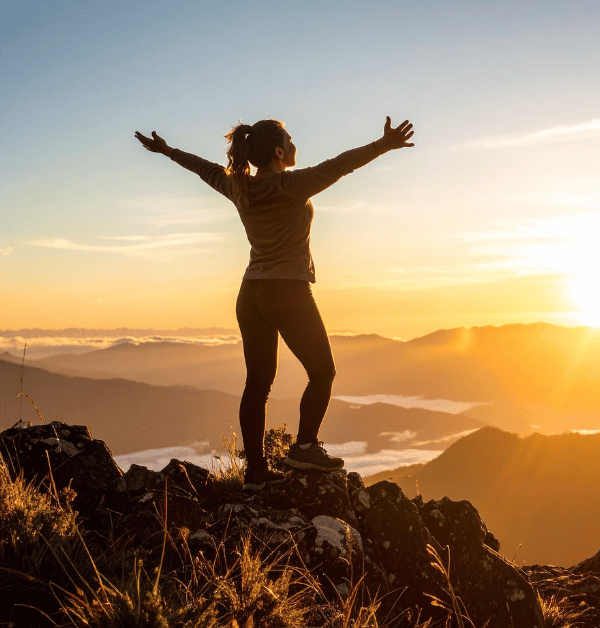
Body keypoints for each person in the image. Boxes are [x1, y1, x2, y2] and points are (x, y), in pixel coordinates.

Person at [135, 116, 414, 492]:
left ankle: (255, 474)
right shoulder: (292, 184)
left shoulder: (239, 186)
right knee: (323, 372)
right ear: (280, 151)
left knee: (258, 383)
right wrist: (383, 145)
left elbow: (203, 169)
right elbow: (340, 165)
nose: (294, 141)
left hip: (251, 295)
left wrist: (167, 151)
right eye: (290, 137)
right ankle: (304, 448)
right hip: (287, 292)